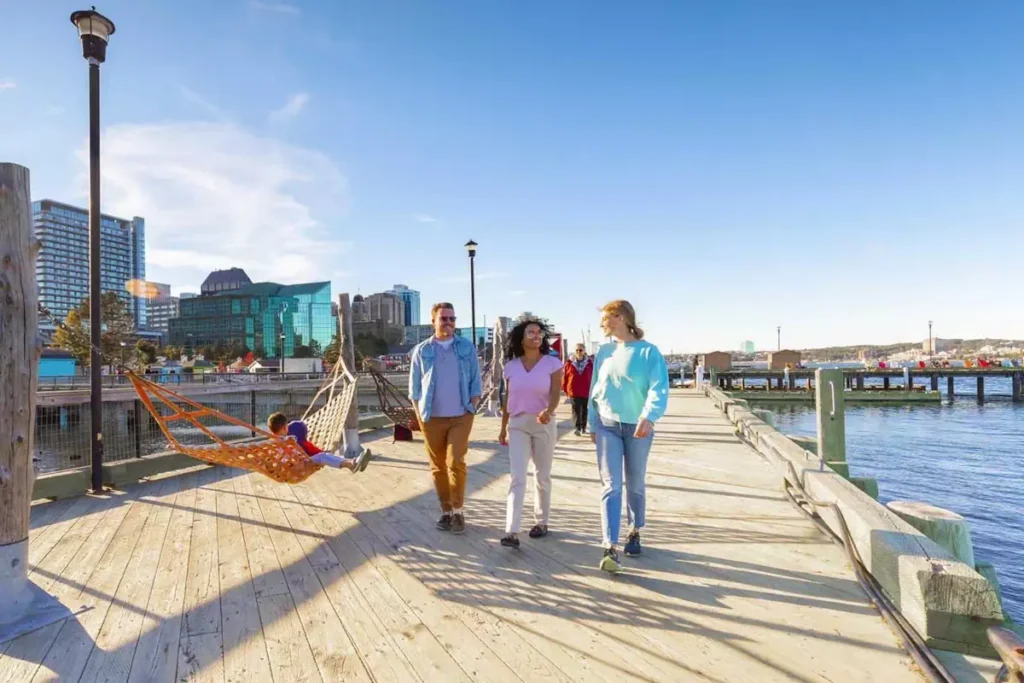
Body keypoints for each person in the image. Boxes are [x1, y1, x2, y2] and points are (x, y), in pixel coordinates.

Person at [588, 300, 669, 573]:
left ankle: (634, 530)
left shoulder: (649, 353)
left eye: (605, 319)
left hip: (638, 428)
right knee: (611, 485)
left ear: (620, 318)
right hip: (607, 425)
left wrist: (650, 415)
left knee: (634, 483)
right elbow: (595, 390)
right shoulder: (604, 352)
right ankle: (609, 545)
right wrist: (591, 422)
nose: (602, 325)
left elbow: (659, 388)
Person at [408, 302, 482, 535]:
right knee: (438, 466)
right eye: (443, 318)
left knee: (455, 461)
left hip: (461, 415)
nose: (448, 322)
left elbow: (475, 379)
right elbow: (415, 387)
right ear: (434, 322)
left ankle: (458, 511)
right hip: (431, 417)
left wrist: (474, 403)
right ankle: (445, 511)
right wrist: (419, 412)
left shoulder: (466, 347)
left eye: (452, 318)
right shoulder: (422, 350)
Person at [497, 319, 563, 549]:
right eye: (531, 332)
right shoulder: (511, 367)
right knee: (517, 476)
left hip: (543, 422)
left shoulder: (553, 364)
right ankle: (512, 531)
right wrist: (503, 426)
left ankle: (541, 522)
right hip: (517, 424)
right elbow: (508, 398)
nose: (536, 336)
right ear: (521, 338)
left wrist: (550, 410)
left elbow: (556, 393)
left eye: (539, 333)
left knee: (542, 475)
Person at [266, 412, 370, 472]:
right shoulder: (285, 441)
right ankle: (352, 464)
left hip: (295, 464)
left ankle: (352, 463)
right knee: (322, 456)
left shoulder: (272, 443)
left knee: (325, 455)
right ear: (284, 427)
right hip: (297, 466)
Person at [562, 343, 593, 436]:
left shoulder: (590, 363)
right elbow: (565, 377)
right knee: (576, 410)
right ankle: (577, 428)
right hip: (573, 390)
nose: (578, 352)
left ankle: (583, 427)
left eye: (580, 350)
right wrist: (564, 388)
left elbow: (594, 377)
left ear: (584, 351)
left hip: (586, 390)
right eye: (577, 350)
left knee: (584, 410)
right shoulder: (569, 363)